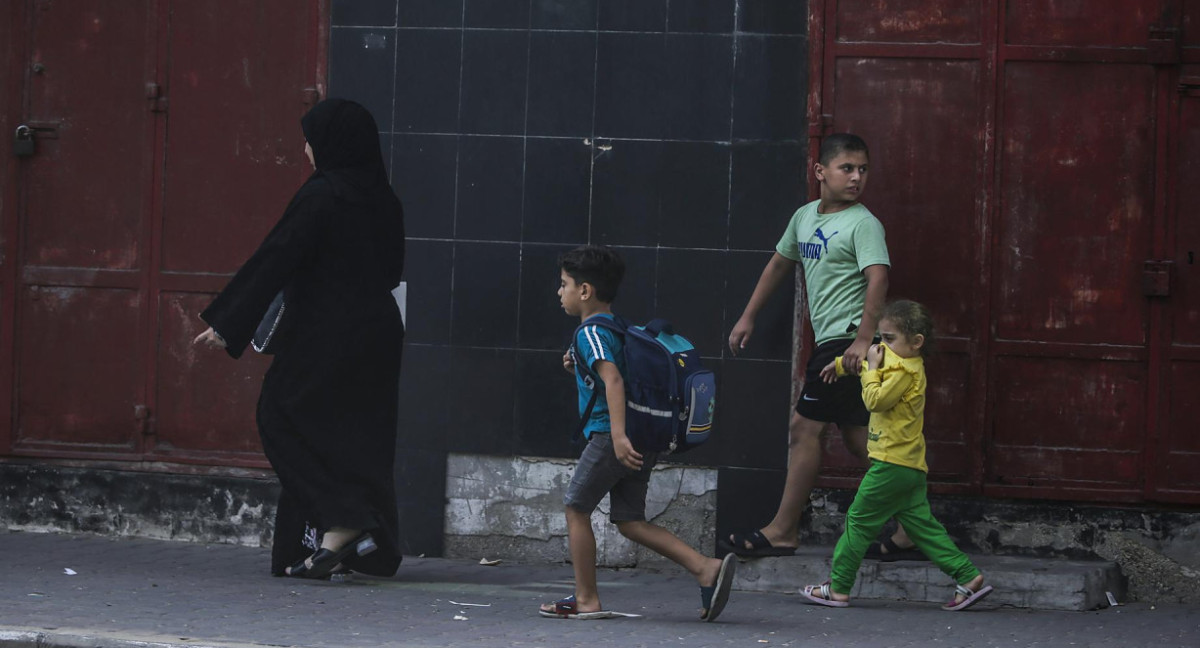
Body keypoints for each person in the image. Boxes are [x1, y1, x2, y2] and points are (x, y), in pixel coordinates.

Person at [193, 98, 406, 580]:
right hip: (379, 331)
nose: (306, 148)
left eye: (311, 138)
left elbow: (276, 258)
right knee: (356, 434)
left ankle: (346, 521)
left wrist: (228, 321)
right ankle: (344, 546)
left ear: (331, 143)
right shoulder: (384, 198)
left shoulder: (322, 195)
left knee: (280, 415)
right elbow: (394, 270)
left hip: (327, 330)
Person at [724, 133, 920, 560]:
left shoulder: (863, 223)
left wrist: (864, 340)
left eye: (863, 169)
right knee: (860, 442)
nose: (856, 178)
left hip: (844, 344)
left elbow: (878, 278)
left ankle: (782, 530)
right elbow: (779, 263)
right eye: (846, 168)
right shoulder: (805, 217)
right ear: (820, 171)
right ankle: (914, 528)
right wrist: (748, 315)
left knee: (803, 429)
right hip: (837, 342)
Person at [539, 245, 737, 622]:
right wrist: (577, 367)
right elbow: (613, 375)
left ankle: (586, 599)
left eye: (563, 284)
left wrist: (616, 437)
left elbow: (612, 380)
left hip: (613, 438)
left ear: (585, 291)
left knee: (575, 507)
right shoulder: (618, 326)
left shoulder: (589, 331)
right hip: (642, 436)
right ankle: (705, 568)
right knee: (630, 521)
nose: (558, 292)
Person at [801, 300, 993, 610]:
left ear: (916, 342)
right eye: (880, 337)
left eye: (889, 338)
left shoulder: (905, 371)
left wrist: (870, 371)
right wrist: (839, 366)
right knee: (922, 528)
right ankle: (968, 577)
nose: (881, 346)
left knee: (858, 521)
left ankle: (837, 587)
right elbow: (873, 365)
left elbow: (875, 399)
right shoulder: (896, 360)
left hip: (891, 463)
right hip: (908, 465)